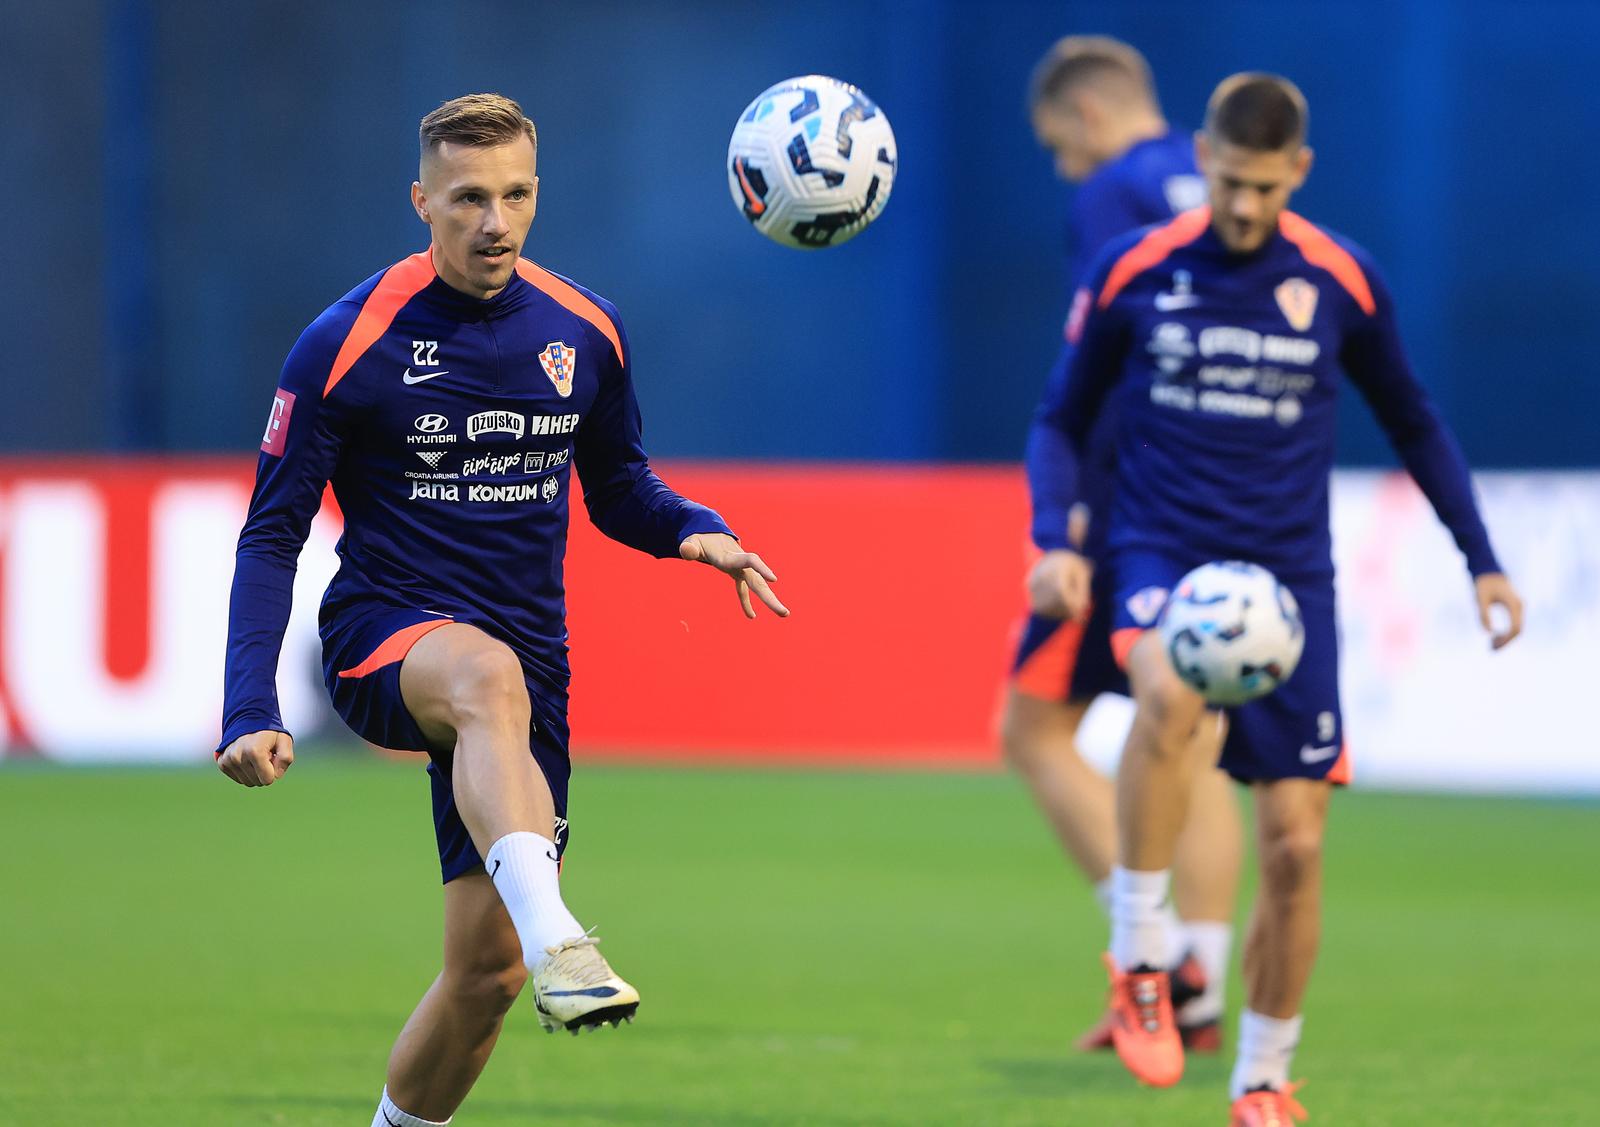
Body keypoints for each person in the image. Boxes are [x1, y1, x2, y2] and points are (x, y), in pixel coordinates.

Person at [216, 93, 788, 1127]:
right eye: (469, 197)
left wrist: (691, 527)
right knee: (482, 674)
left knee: (485, 977)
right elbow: (270, 532)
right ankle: (565, 932)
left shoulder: (584, 328)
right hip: (384, 632)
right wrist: (249, 703)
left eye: (515, 194)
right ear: (422, 200)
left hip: (530, 662)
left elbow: (618, 485)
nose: (495, 220)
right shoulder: (345, 341)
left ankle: (505, 981)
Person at [1033, 72, 1523, 1124]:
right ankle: (1140, 953)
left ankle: (1262, 1076)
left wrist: (1479, 555)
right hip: (1160, 553)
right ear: (1199, 156)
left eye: (1262, 186)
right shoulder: (1139, 268)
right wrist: (1053, 540)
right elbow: (1060, 420)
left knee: (1296, 845)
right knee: (1166, 692)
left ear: (1296, 171)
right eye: (1226, 180)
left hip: (1290, 583)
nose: (1242, 205)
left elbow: (1414, 419)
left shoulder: (1340, 278)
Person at [1006, 34, 1240, 1051]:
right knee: (1197, 739)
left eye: (1060, 143)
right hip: (1236, 499)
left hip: (1131, 507)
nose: (1065, 163)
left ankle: (1150, 950)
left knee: (1031, 727)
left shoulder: (1111, 191)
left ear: (1090, 117)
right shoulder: (1217, 174)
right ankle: (1201, 983)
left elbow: (1096, 371)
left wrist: (1071, 518)